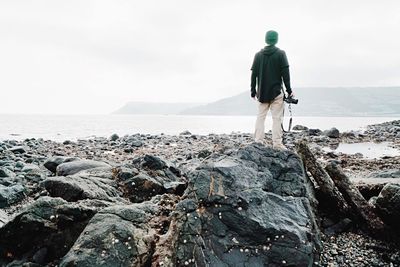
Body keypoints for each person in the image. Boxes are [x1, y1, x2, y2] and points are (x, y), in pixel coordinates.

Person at [250, 30, 293, 149]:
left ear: (266, 39)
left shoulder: (258, 55)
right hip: (276, 92)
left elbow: (254, 75)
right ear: (276, 40)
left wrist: (253, 91)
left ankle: (258, 141)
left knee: (260, 117)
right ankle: (277, 144)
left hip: (262, 93)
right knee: (277, 118)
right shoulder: (281, 54)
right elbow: (286, 74)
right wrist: (289, 91)